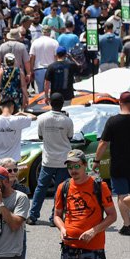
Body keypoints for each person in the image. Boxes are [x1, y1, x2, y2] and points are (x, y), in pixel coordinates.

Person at [53, 150, 117, 259]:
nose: (73, 170)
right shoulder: (63, 187)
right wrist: (62, 228)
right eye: (69, 167)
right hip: (69, 248)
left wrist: (94, 230)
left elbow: (112, 216)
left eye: (76, 166)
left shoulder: (99, 186)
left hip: (93, 249)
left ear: (84, 166)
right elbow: (57, 215)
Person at [95, 91, 130, 235]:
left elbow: (103, 143)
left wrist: (96, 161)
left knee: (122, 195)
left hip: (118, 165)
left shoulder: (112, 121)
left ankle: (127, 226)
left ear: (120, 103)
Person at [29, 92, 73, 225]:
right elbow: (69, 137)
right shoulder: (67, 120)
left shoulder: (42, 118)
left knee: (40, 188)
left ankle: (33, 216)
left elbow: (41, 137)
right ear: (62, 104)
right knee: (60, 191)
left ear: (49, 103)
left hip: (48, 159)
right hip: (63, 160)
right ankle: (55, 218)